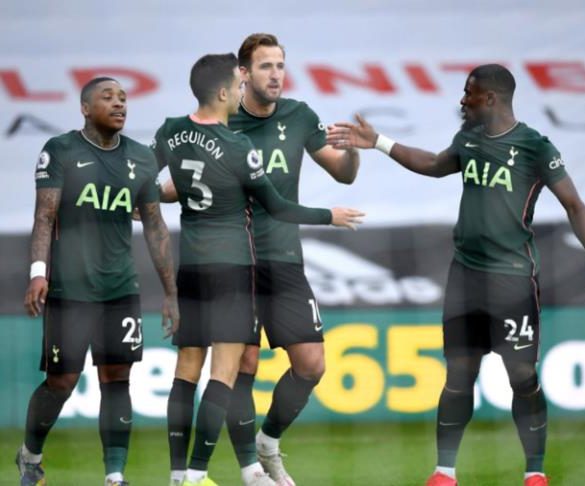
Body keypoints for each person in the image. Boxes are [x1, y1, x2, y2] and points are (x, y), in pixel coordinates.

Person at [326, 63, 585, 486]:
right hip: (466, 277)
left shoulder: (536, 147)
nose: (463, 100)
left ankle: (535, 472)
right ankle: (444, 474)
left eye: (469, 92)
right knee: (459, 376)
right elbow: (433, 163)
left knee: (522, 378)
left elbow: (574, 205)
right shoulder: (469, 139)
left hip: (512, 280)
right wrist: (379, 142)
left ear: (491, 98)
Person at [153, 53, 362, 486]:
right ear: (240, 78)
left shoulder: (294, 116)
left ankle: (222, 460)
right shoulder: (232, 135)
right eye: (265, 66)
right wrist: (330, 216)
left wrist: (353, 151)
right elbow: (274, 203)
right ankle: (241, 470)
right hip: (239, 261)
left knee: (307, 364)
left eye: (280, 64)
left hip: (261, 260)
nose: (276, 73)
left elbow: (343, 174)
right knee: (234, 367)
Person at [17, 77, 179, 486]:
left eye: (123, 98)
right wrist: (38, 272)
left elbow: (156, 227)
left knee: (117, 378)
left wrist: (171, 292)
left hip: (120, 289)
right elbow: (44, 217)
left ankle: (114, 476)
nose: (119, 103)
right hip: (69, 290)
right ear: (85, 108)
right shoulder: (60, 150)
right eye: (108, 98)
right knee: (62, 381)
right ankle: (30, 456)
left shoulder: (141, 158)